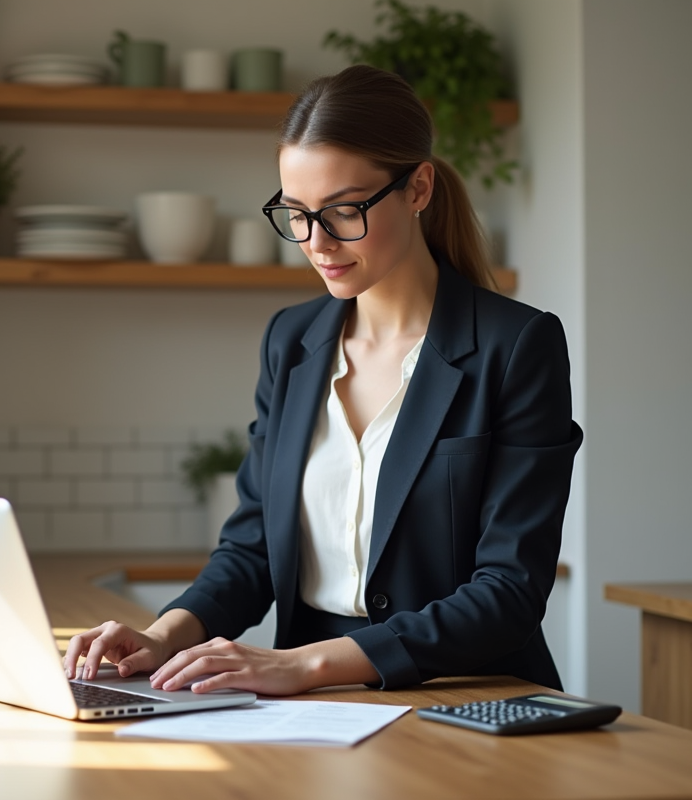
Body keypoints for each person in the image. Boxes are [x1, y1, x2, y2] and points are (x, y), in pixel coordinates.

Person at [63, 64, 583, 696]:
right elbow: (253, 547)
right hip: (312, 708)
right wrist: (166, 635)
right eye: (296, 213)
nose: (316, 241)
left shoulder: (516, 345)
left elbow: (509, 593)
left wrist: (305, 663)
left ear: (418, 189)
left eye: (342, 211)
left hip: (469, 697)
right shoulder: (292, 341)